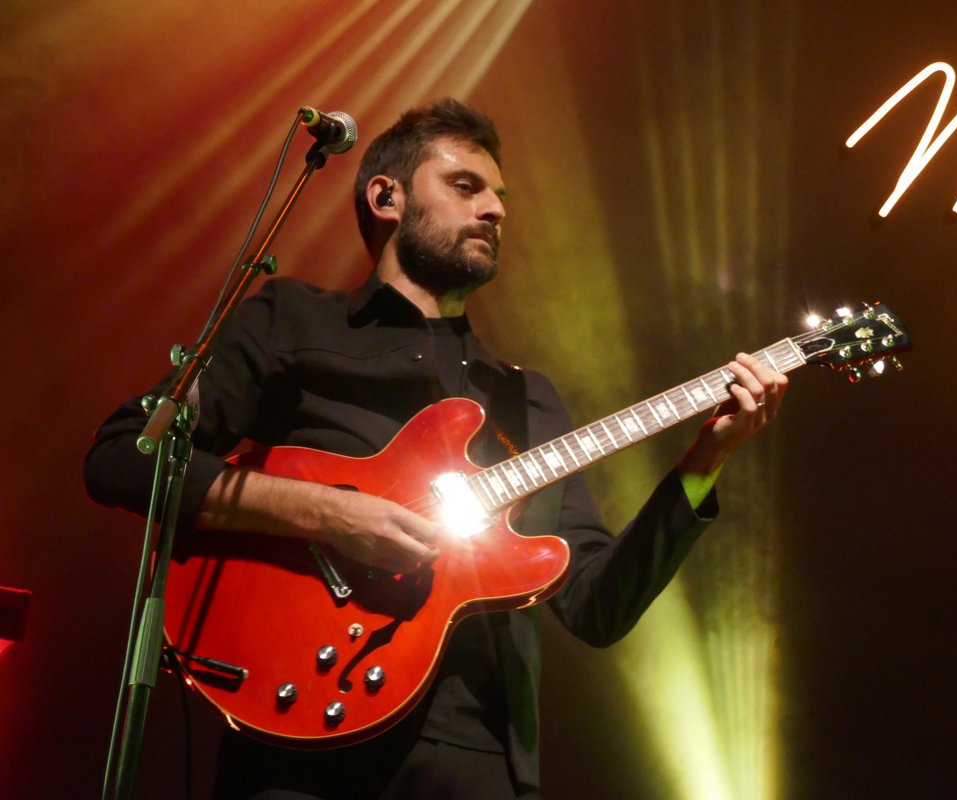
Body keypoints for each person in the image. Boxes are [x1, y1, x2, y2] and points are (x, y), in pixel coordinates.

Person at [84, 98, 787, 800]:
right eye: (465, 186)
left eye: (500, 196)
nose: (495, 210)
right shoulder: (289, 320)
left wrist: (704, 463)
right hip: (298, 741)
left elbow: (596, 608)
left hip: (475, 753)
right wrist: (332, 515)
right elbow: (125, 457)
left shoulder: (527, 401)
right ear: (385, 197)